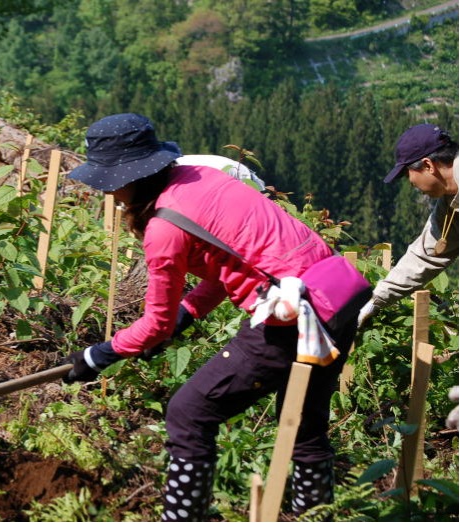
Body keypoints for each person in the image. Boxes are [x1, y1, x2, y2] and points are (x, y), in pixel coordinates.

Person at [63, 113, 371, 521]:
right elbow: (234, 261)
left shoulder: (163, 228)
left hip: (292, 319)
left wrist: (100, 354)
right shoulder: (202, 179)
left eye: (110, 181)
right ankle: (317, 517)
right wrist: (188, 312)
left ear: (126, 177)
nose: (110, 193)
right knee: (305, 429)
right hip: (334, 299)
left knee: (188, 413)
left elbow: (154, 324)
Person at [357, 123, 458, 325]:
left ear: (428, 165)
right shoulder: (449, 201)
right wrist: (375, 300)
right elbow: (426, 255)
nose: (412, 185)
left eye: (408, 176)